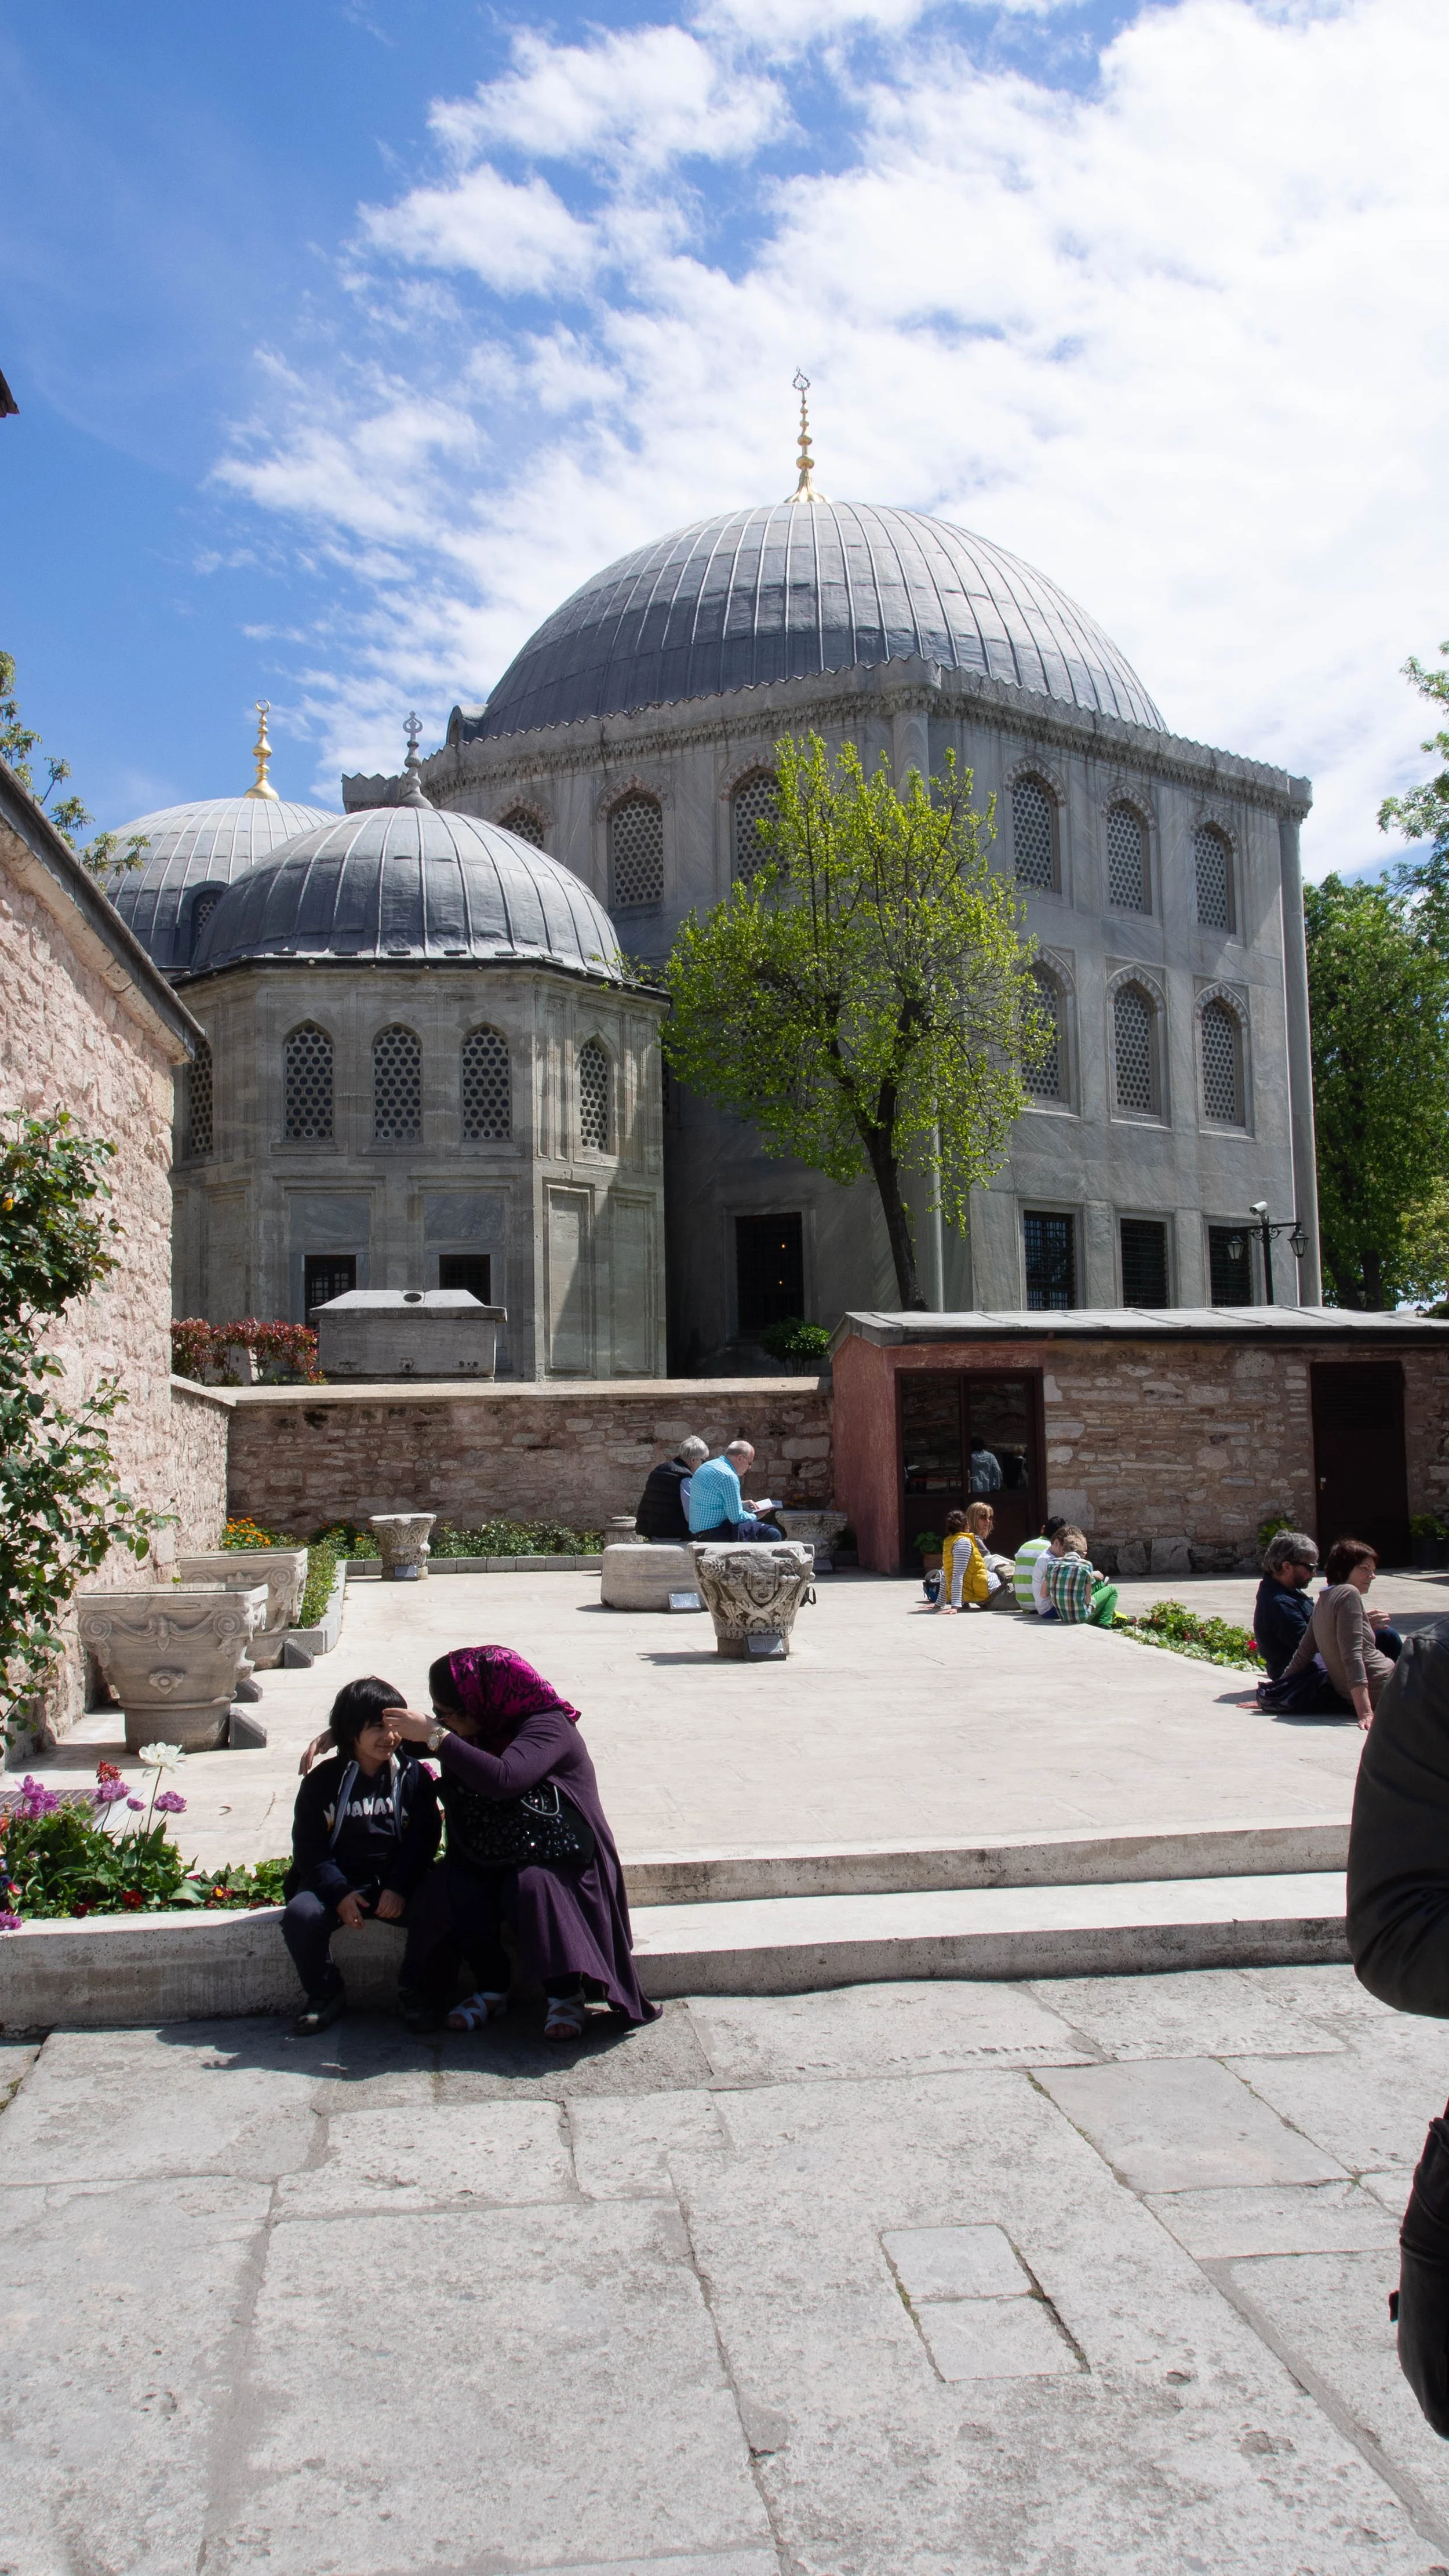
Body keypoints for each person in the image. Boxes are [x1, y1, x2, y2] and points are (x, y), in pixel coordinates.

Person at [391, 1644, 659, 2039]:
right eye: (439, 1713)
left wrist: (436, 1735)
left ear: (482, 1700)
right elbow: (414, 1739)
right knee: (458, 1884)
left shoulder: (548, 1726)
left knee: (532, 1885)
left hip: (563, 1854)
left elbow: (505, 1778)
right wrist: (352, 1728)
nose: (443, 1722)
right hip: (497, 1845)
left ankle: (565, 1994)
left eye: (448, 1714)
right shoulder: (483, 1723)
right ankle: (491, 1987)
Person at [282, 1675, 442, 2037]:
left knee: (440, 1903)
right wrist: (338, 1894)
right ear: (350, 1733)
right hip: (338, 1883)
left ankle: (413, 1992)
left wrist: (399, 1886)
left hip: (395, 1880)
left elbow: (424, 1837)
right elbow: (309, 1847)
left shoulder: (413, 1776)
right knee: (302, 1916)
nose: (390, 1738)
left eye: (394, 1728)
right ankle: (325, 1995)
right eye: (376, 1729)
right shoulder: (323, 1782)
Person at [1281, 1536, 1403, 1729]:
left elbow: (1303, 1653)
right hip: (1388, 1689)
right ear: (1343, 1570)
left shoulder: (1324, 1599)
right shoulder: (1349, 1593)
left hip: (1378, 1689)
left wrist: (1276, 1691)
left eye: (1373, 1571)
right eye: (1365, 1569)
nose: (1372, 1576)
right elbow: (1352, 1655)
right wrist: (1365, 1712)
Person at [1253, 1530, 1319, 1680]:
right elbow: (1310, 1645)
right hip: (1302, 1677)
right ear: (1287, 1567)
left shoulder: (1287, 1592)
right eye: (1310, 1567)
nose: (1314, 1574)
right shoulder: (1280, 1604)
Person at [686, 1439, 781, 1544]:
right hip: (714, 1533)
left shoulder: (707, 1466)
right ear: (740, 1458)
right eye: (750, 1463)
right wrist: (757, 1516)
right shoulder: (728, 1476)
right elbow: (737, 1519)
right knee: (772, 1533)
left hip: (699, 1532)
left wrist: (742, 1504)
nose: (749, 1468)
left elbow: (713, 1500)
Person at [1041, 1526, 1119, 1628]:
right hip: (1081, 1617)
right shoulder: (1086, 1565)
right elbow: (1088, 1599)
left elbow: (1043, 1594)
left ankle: (1103, 1619)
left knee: (1099, 1588)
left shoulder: (1051, 1565)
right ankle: (1105, 1622)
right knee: (1112, 1590)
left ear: (1064, 1550)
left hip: (1063, 1616)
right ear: (1083, 1553)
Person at [634, 1435, 709, 1541]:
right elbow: (691, 1515)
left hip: (652, 1532)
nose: (703, 1465)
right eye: (703, 1461)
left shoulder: (660, 1469)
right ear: (693, 1460)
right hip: (674, 1534)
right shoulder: (684, 1477)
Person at [1014, 1515, 1068, 1616]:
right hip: (1040, 1604)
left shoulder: (1025, 1546)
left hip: (1022, 1604)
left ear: (1043, 1529)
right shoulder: (1052, 1550)